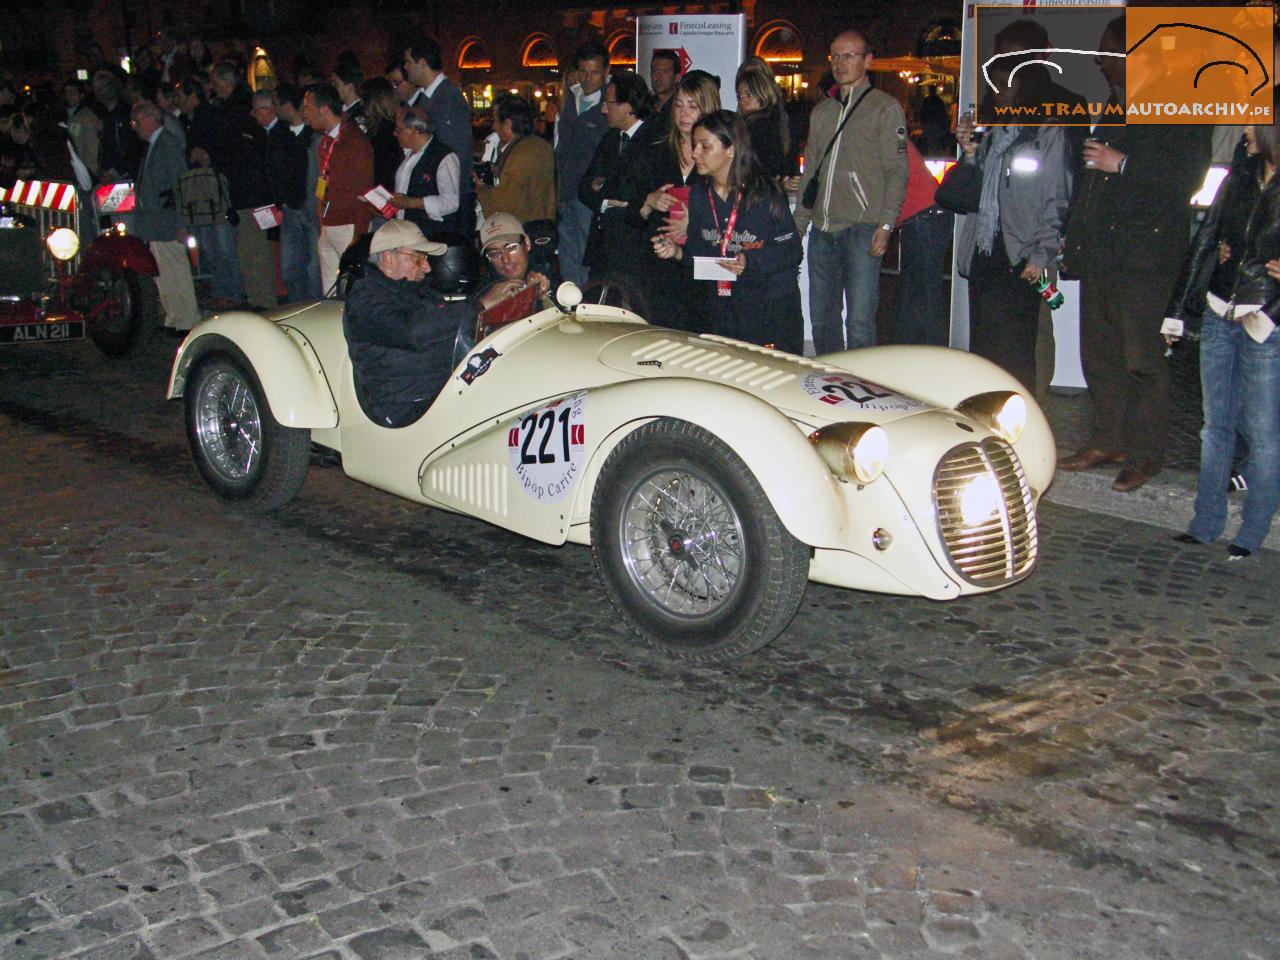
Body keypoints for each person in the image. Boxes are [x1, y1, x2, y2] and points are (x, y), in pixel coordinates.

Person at [1057, 14, 1211, 492]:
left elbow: (1187, 175)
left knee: (1142, 356)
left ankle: (1146, 453)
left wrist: (1122, 164)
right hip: (1104, 250)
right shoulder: (1119, 102)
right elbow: (1092, 175)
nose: (1103, 63)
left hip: (1146, 256)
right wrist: (1074, 231)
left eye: (1109, 54)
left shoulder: (1179, 101)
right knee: (1099, 352)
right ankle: (1107, 438)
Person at [1166, 111, 1280, 560]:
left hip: (1264, 320)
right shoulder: (1240, 173)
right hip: (1219, 308)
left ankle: (1252, 530)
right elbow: (1208, 236)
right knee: (1215, 427)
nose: (1244, 132)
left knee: (1264, 432)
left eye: (1253, 126)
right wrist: (1178, 310)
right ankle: (1205, 521)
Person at [955, 60, 1071, 391]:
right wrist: (969, 151)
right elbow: (973, 185)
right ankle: (984, 410)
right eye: (994, 86)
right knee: (984, 345)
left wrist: (1041, 255)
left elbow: (1057, 196)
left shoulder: (1046, 131)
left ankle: (1023, 418)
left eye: (1005, 85)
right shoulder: (991, 130)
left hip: (1020, 252)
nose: (998, 93)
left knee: (1018, 348)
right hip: (984, 248)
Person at [793, 30, 909, 353]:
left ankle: (861, 388)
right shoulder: (823, 113)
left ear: (867, 60)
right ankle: (830, 382)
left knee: (859, 319)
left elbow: (897, 172)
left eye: (849, 55)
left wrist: (886, 224)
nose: (841, 63)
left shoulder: (885, 109)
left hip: (862, 226)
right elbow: (811, 172)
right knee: (822, 317)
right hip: (823, 228)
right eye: (835, 56)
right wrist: (800, 223)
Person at [343, 220, 523, 427]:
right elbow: (412, 331)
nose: (427, 267)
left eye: (426, 258)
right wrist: (479, 305)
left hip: (448, 392)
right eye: (418, 258)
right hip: (408, 406)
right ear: (388, 258)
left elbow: (453, 325)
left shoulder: (416, 292)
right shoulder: (365, 300)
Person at [652, 110, 802, 353]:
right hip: (723, 309)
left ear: (730, 149)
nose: (695, 153)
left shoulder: (764, 193)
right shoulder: (700, 196)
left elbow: (792, 251)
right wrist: (676, 252)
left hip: (769, 308)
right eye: (694, 145)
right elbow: (700, 255)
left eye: (705, 146)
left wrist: (749, 260)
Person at [623, 71, 720, 332]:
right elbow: (630, 214)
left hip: (701, 270)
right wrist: (648, 202)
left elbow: (733, 215)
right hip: (658, 267)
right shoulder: (655, 151)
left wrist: (696, 222)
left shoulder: (721, 156)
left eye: (692, 106)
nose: (683, 114)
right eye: (678, 105)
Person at [129, 99, 200, 332]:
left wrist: (182, 223)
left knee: (175, 269)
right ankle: (174, 316)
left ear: (151, 119)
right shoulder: (155, 145)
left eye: (137, 121)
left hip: (168, 220)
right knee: (164, 272)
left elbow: (179, 184)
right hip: (158, 221)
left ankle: (186, 317)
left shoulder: (167, 145)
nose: (135, 127)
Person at [579, 73, 655, 274]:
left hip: (636, 249)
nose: (603, 109)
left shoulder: (655, 140)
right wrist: (605, 201)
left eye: (609, 103)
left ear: (628, 106)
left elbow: (631, 190)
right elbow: (584, 187)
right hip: (603, 247)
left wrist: (602, 186)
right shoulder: (610, 139)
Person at [302, 82, 373, 296]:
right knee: (331, 290)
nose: (304, 113)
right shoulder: (325, 142)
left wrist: (359, 236)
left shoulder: (353, 140)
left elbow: (364, 190)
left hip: (348, 227)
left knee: (353, 287)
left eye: (307, 107)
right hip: (328, 224)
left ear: (323, 109)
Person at [554, 42, 610, 287]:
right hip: (565, 191)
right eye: (583, 71)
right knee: (568, 254)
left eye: (594, 72)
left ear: (606, 72)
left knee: (588, 256)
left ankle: (589, 303)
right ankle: (571, 304)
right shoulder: (570, 100)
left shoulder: (610, 105)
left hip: (589, 196)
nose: (588, 78)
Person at [474, 93, 556, 225]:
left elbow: (504, 205)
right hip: (543, 226)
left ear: (507, 124)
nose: (493, 126)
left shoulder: (519, 155)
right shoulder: (541, 146)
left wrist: (481, 189)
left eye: (495, 120)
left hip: (523, 231)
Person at [402, 39, 473, 187]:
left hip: (446, 195)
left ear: (422, 63)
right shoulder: (426, 96)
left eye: (408, 62)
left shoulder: (448, 98)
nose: (405, 67)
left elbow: (452, 152)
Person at [388, 106, 465, 238]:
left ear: (414, 130)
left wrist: (411, 203)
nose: (395, 133)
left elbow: (451, 202)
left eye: (399, 129)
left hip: (430, 234)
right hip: (403, 231)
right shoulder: (404, 154)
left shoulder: (443, 157)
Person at [734, 57, 793, 179]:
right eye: (740, 96)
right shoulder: (779, 119)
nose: (743, 100)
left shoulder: (757, 126)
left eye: (748, 94)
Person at [477, 211, 555, 298]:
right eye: (494, 253)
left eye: (511, 247)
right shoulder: (485, 293)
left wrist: (543, 294)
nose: (505, 259)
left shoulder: (546, 276)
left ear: (527, 243)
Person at [648, 48, 680, 130]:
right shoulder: (645, 106)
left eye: (665, 72)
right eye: (654, 71)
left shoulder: (680, 109)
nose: (658, 77)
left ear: (676, 77)